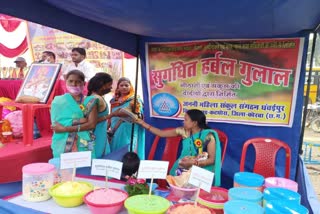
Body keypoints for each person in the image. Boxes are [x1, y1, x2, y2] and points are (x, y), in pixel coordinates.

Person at [135, 109, 221, 186]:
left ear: (195, 123)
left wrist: (193, 163)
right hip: (182, 165)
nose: (183, 122)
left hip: (200, 171)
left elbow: (212, 160)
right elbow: (161, 133)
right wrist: (143, 123)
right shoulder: (183, 131)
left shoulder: (208, 136)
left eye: (186, 120)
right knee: (176, 181)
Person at [51, 70, 98, 158]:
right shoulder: (58, 101)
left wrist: (65, 129)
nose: (74, 84)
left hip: (84, 141)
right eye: (71, 81)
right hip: (62, 141)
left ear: (84, 83)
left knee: (85, 168)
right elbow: (56, 124)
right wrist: (80, 120)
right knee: (65, 168)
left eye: (78, 82)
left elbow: (91, 124)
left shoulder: (91, 101)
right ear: (66, 82)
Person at [109, 77, 145, 160]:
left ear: (130, 86)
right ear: (118, 87)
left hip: (128, 129)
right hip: (115, 129)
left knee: (127, 149)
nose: (124, 87)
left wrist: (124, 114)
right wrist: (108, 128)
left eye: (126, 85)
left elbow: (138, 115)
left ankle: (127, 168)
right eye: (121, 85)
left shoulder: (135, 99)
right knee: (115, 149)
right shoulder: (113, 101)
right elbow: (111, 115)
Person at [87, 72, 113, 158]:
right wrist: (112, 115)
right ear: (102, 85)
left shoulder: (91, 97)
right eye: (109, 85)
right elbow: (92, 121)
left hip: (96, 133)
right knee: (99, 157)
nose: (111, 88)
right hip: (97, 134)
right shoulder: (96, 98)